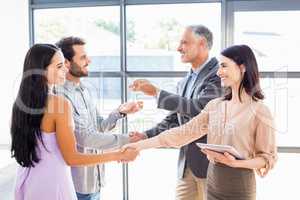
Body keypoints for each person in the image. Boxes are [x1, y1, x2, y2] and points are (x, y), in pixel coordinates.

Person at [124, 44, 277, 200]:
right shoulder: (215, 106)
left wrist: (235, 163)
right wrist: (139, 145)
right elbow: (181, 133)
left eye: (224, 66)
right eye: (218, 67)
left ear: (243, 67)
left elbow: (266, 159)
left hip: (239, 186)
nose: (218, 72)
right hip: (213, 182)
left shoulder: (259, 111)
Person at [11, 44, 138, 200]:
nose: (65, 68)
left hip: (29, 182)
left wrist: (120, 113)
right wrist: (118, 154)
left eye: (64, 63)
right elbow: (72, 158)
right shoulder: (60, 104)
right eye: (59, 65)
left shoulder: (19, 105)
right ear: (42, 71)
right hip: (54, 184)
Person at [129, 25, 221, 200]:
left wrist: (156, 92)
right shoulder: (186, 79)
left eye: (184, 43)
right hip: (186, 166)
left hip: (209, 166)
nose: (179, 48)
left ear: (202, 43)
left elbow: (199, 109)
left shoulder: (219, 74)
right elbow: (175, 118)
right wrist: (145, 136)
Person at [55, 36, 142, 200]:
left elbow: (98, 128)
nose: (89, 60)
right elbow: (84, 138)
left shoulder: (85, 90)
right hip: (76, 185)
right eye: (82, 57)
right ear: (66, 63)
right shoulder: (61, 97)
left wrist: (120, 112)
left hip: (94, 180)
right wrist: (128, 140)